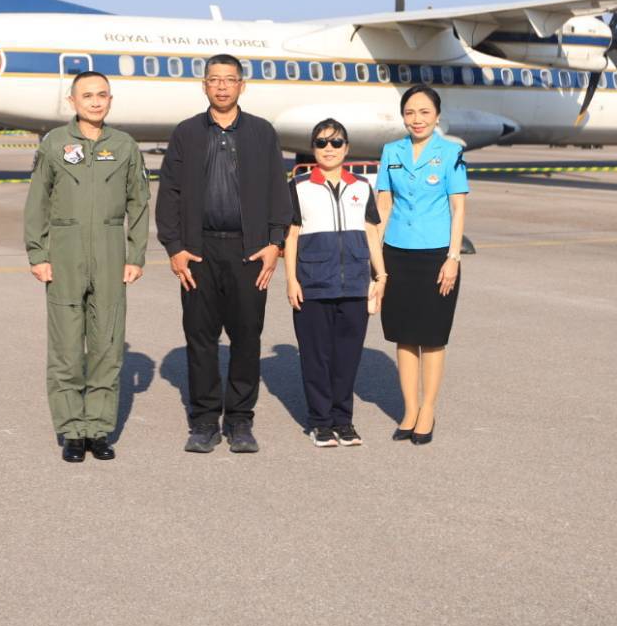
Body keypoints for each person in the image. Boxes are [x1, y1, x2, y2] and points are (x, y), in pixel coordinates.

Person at [156, 53, 291, 454]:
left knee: (247, 336)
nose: (221, 86)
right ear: (204, 85)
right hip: (199, 252)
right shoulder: (186, 133)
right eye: (214, 79)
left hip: (250, 252)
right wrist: (175, 247)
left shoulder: (262, 132)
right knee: (200, 337)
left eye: (229, 80)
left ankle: (240, 421)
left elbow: (278, 190)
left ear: (241, 86)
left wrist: (275, 243)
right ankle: (203, 421)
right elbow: (169, 194)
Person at [24, 71, 149, 463]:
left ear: (110, 100)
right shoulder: (54, 144)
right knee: (65, 349)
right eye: (88, 95)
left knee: (107, 347)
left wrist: (135, 255)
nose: (96, 102)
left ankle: (97, 429)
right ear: (72, 101)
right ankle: (72, 432)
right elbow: (37, 202)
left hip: (111, 255)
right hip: (65, 255)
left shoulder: (124, 146)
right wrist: (38, 254)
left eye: (102, 95)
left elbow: (139, 203)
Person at [376, 84, 469, 445]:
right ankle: (410, 408)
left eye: (424, 112)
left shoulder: (451, 153)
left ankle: (427, 409)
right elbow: (384, 205)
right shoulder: (391, 152)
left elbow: (458, 208)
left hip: (436, 255)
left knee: (431, 337)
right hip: (397, 252)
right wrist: (375, 257)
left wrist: (453, 257)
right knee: (403, 335)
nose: (417, 119)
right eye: (410, 112)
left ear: (437, 116)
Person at [284, 118, 386, 447]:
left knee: (347, 358)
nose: (329, 148)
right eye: (322, 143)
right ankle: (320, 422)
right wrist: (291, 280)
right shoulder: (299, 186)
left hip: (354, 285)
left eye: (336, 142)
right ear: (313, 148)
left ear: (347, 148)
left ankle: (343, 420)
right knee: (316, 358)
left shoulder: (361, 186)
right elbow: (291, 236)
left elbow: (371, 232)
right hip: (313, 284)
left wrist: (380, 275)